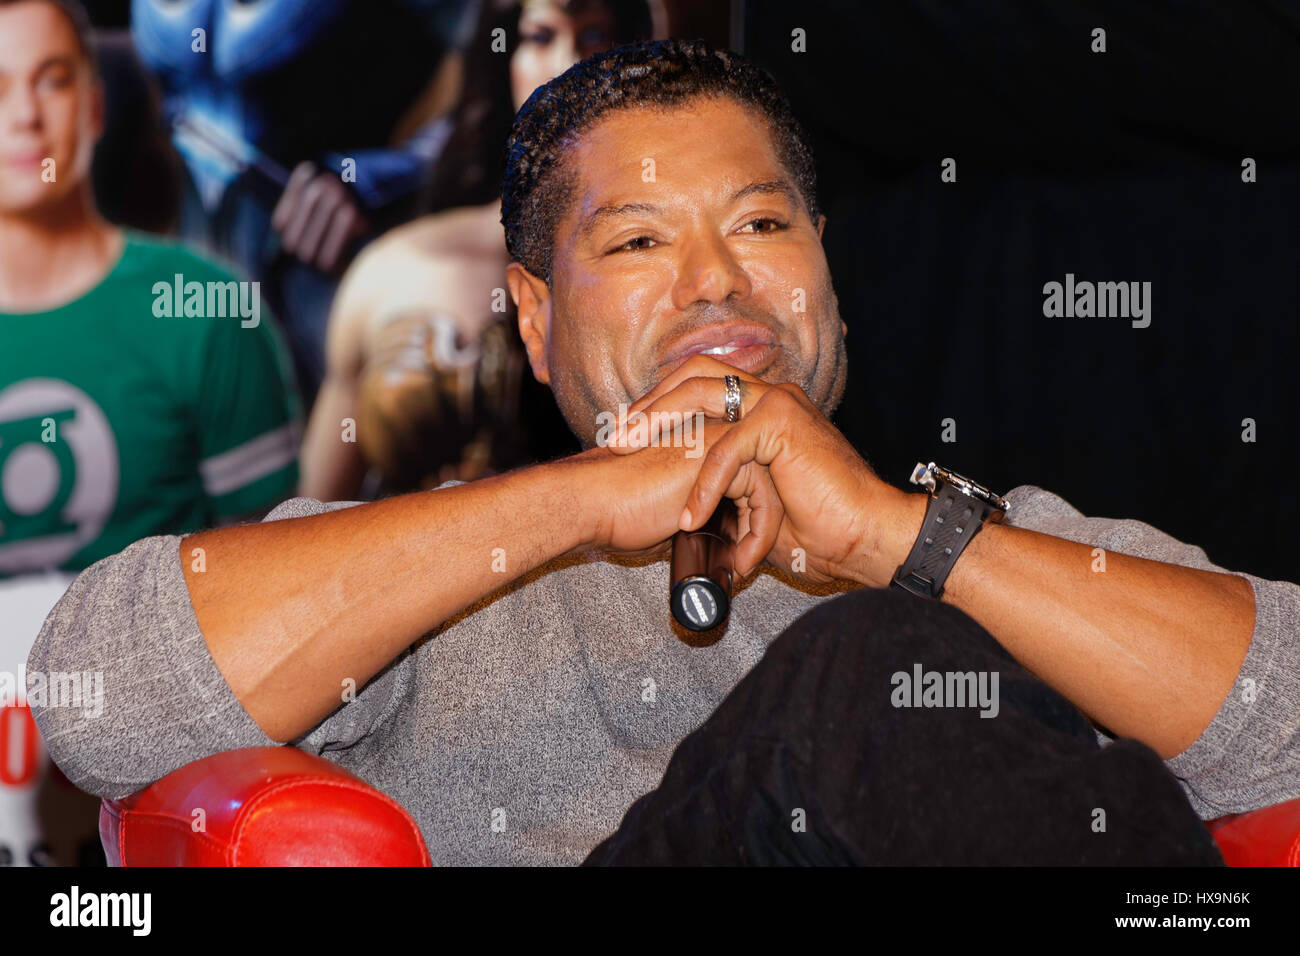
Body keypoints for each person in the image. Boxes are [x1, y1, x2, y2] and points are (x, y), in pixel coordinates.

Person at [30, 39, 1300, 866]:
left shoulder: (995, 537)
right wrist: (584, 501)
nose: (714, 281)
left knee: (892, 646)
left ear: (833, 290)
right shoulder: (441, 578)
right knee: (864, 669)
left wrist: (892, 539)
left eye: (762, 222)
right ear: (532, 318)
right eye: (638, 242)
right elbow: (97, 693)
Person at [298, 0, 657, 499]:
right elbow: (311, 518)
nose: (569, 65)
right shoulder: (393, 270)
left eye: (595, 34)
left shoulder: (667, 270)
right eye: (540, 36)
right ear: (504, 57)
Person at [0, 0, 301, 577]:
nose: (24, 116)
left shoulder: (208, 310)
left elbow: (276, 587)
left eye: (53, 81)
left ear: (93, 107)